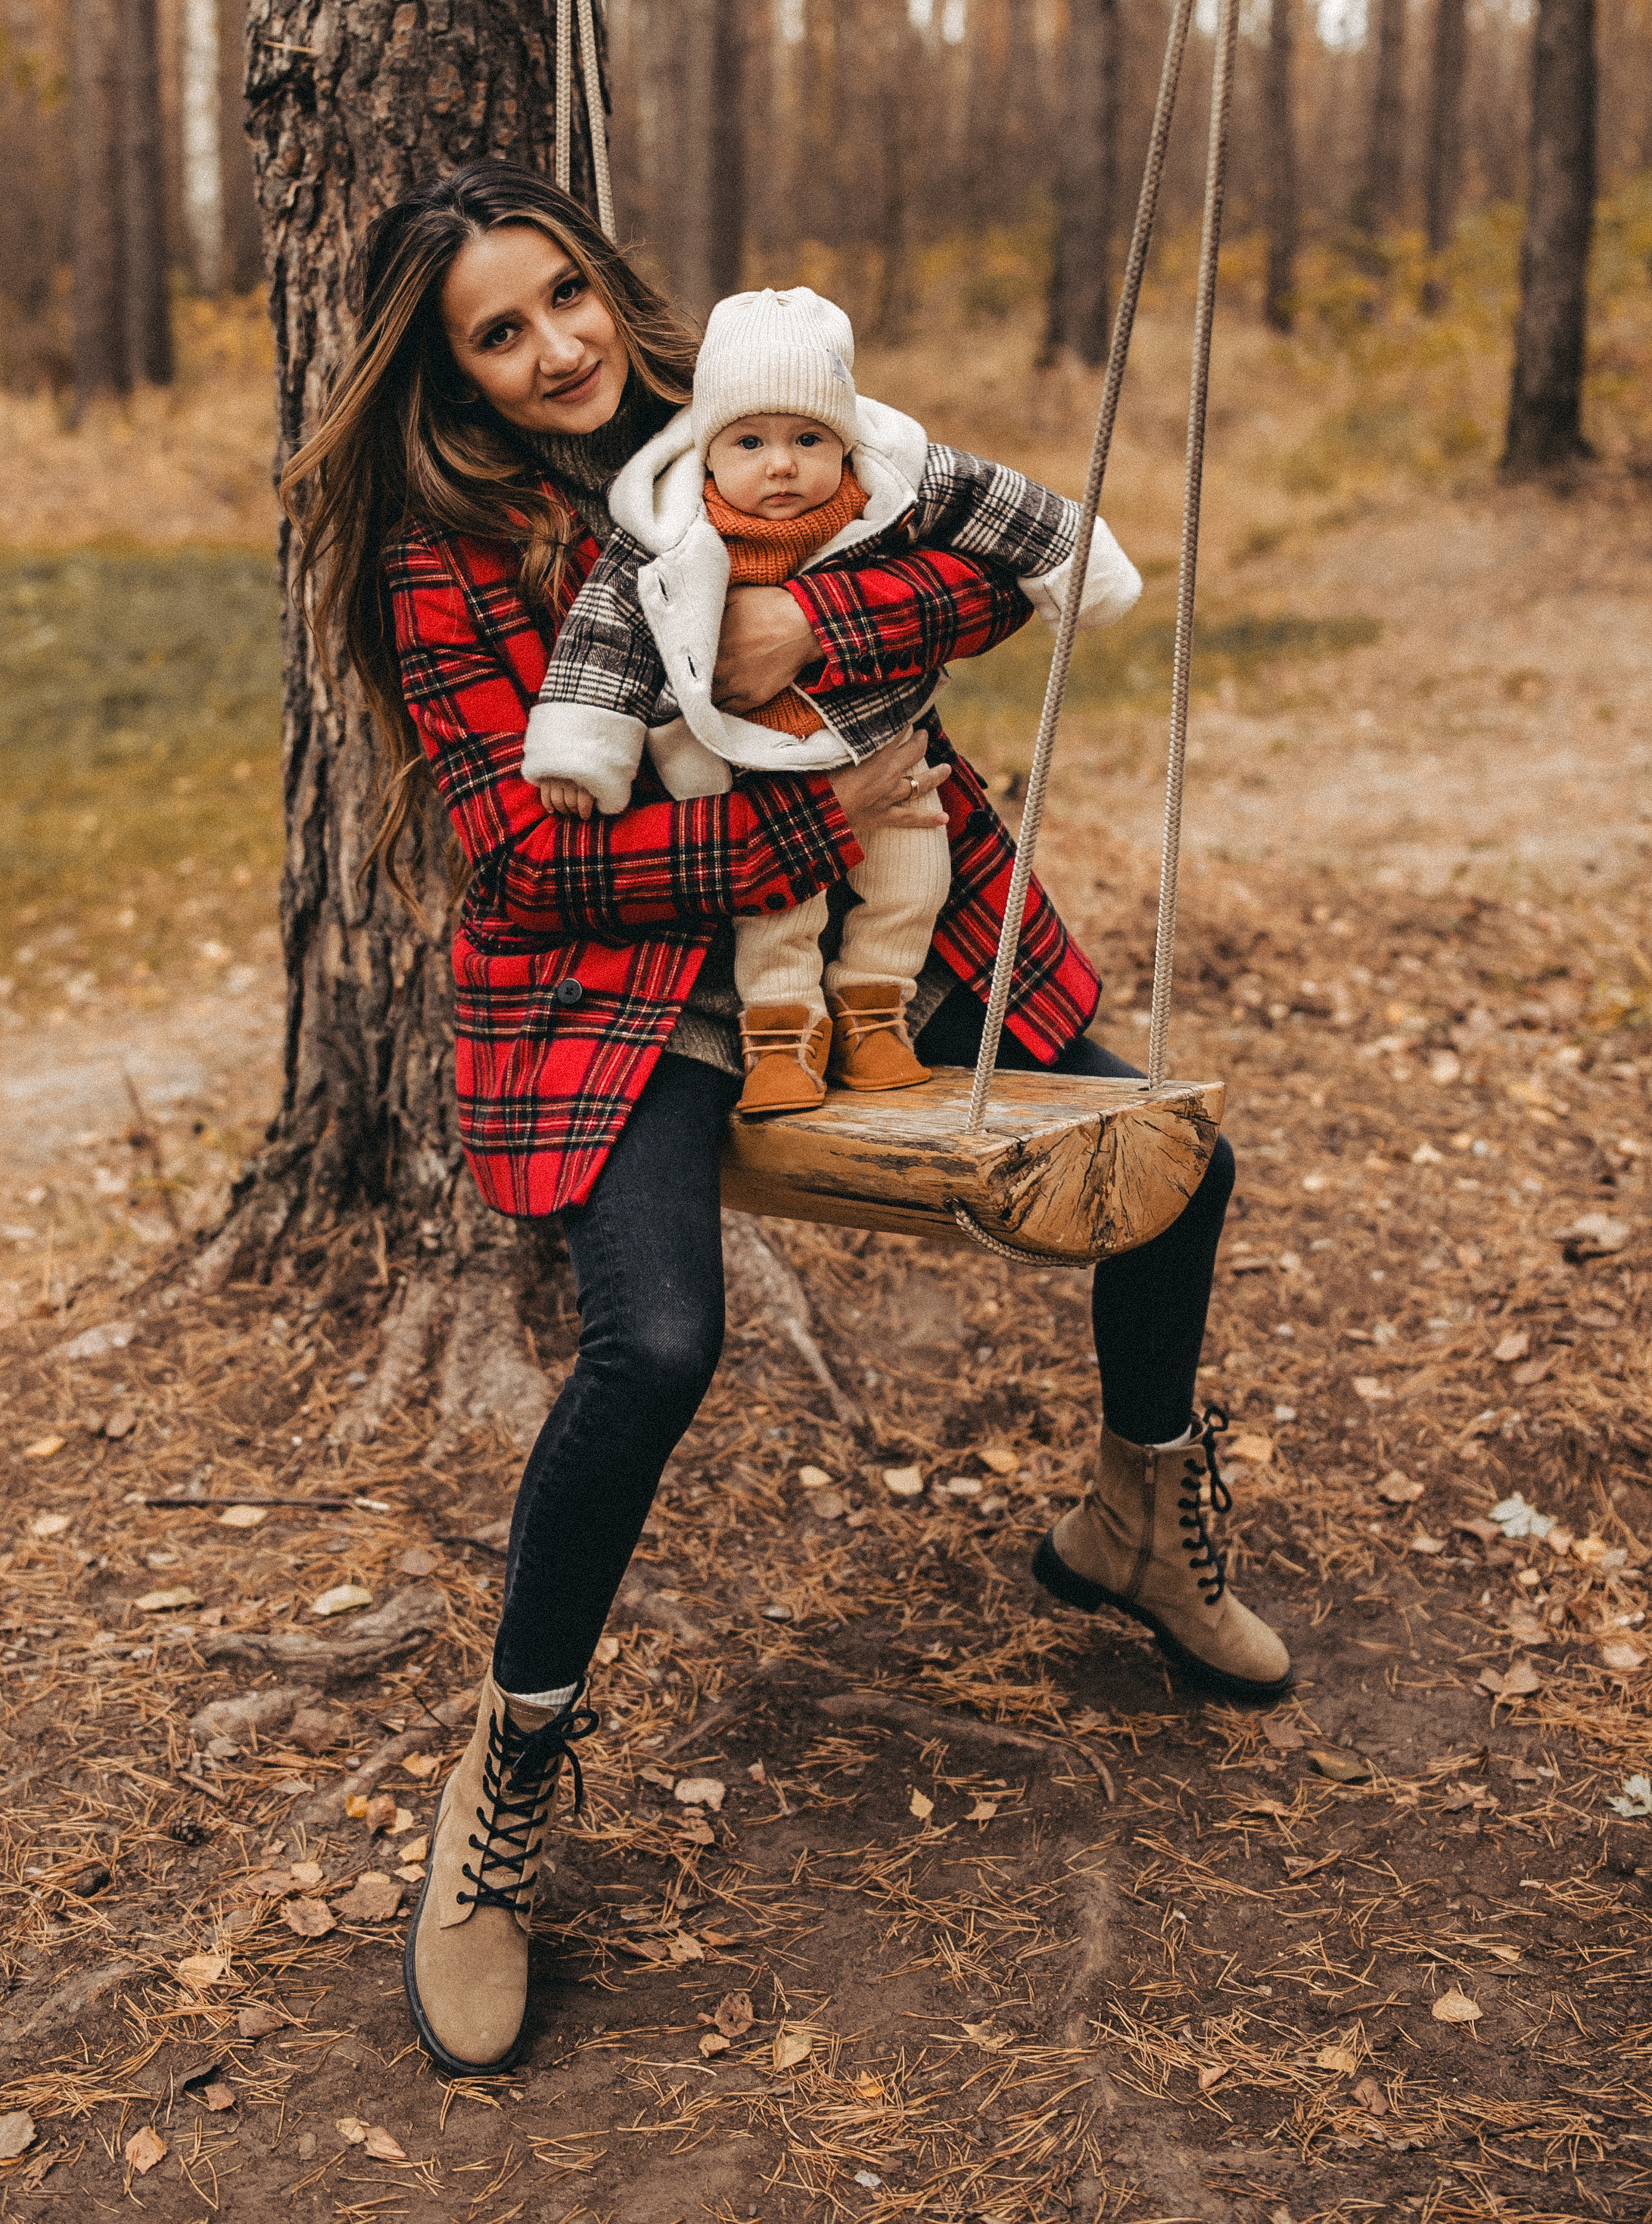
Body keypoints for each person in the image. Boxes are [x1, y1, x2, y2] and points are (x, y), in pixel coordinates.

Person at [282, 158, 1291, 2083]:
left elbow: (983, 559)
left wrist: (796, 642)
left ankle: (1136, 1520)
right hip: (629, 975)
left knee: (1175, 1165)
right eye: (499, 332)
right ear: (450, 374)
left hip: (888, 915)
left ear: (608, 285)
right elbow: (513, 845)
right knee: (656, 1337)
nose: (556, 346)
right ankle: (507, 1772)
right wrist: (786, 818)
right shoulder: (444, 550)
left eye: (565, 295)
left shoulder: (740, 406)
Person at [519, 283, 1143, 1117]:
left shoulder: (891, 488)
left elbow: (1007, 509)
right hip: (756, 766)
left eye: (807, 438)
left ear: (844, 441)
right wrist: (580, 748)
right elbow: (605, 634)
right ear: (708, 452)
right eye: (749, 441)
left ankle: (873, 1011)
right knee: (779, 912)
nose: (780, 464)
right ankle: (782, 1035)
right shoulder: (673, 528)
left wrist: (1081, 569)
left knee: (915, 880)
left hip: (890, 744)